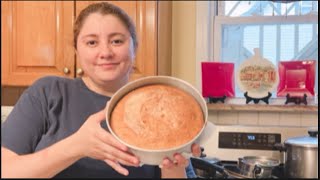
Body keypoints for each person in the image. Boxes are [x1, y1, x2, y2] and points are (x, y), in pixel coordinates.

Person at [1, 2, 200, 178]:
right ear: (77, 50)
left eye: (117, 41)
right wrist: (76, 146)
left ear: (134, 47)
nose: (105, 52)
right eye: (92, 42)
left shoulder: (161, 103)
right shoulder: (47, 93)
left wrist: (173, 167)